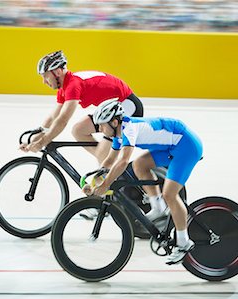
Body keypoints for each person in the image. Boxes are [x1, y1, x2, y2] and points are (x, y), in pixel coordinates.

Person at [83, 99, 203, 265]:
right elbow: (109, 161)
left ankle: (184, 243)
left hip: (185, 146)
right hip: (170, 145)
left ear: (114, 122)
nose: (100, 130)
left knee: (170, 194)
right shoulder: (117, 133)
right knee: (140, 164)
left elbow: (123, 162)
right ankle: (158, 206)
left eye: (102, 125)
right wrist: (95, 180)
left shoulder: (129, 129)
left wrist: (105, 185)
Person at [19, 50, 144, 165]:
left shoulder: (73, 85)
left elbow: (62, 120)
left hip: (128, 107)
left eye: (45, 76)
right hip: (113, 110)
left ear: (57, 72)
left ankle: (113, 177)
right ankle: (111, 168)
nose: (44, 81)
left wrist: (42, 143)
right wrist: (34, 140)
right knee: (79, 130)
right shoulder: (65, 86)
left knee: (103, 155)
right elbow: (53, 117)